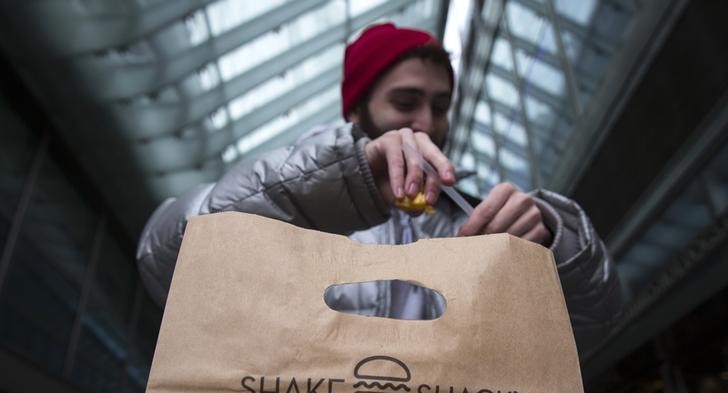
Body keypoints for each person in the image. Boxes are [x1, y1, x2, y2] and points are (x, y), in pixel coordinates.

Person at [136, 23, 622, 353]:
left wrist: (554, 247)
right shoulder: (289, 198)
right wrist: (340, 179)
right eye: (406, 102)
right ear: (355, 111)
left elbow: (593, 330)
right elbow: (166, 258)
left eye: (441, 105)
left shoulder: (476, 222)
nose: (427, 124)